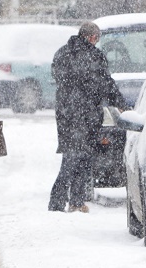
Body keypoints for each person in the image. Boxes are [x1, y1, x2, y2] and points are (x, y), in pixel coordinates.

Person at [48, 21, 127, 213]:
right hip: (87, 114)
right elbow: (106, 84)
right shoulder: (94, 56)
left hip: (66, 114)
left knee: (76, 157)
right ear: (92, 37)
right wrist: (121, 105)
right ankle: (58, 203)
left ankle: (75, 201)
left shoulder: (62, 53)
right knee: (78, 160)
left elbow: (59, 79)